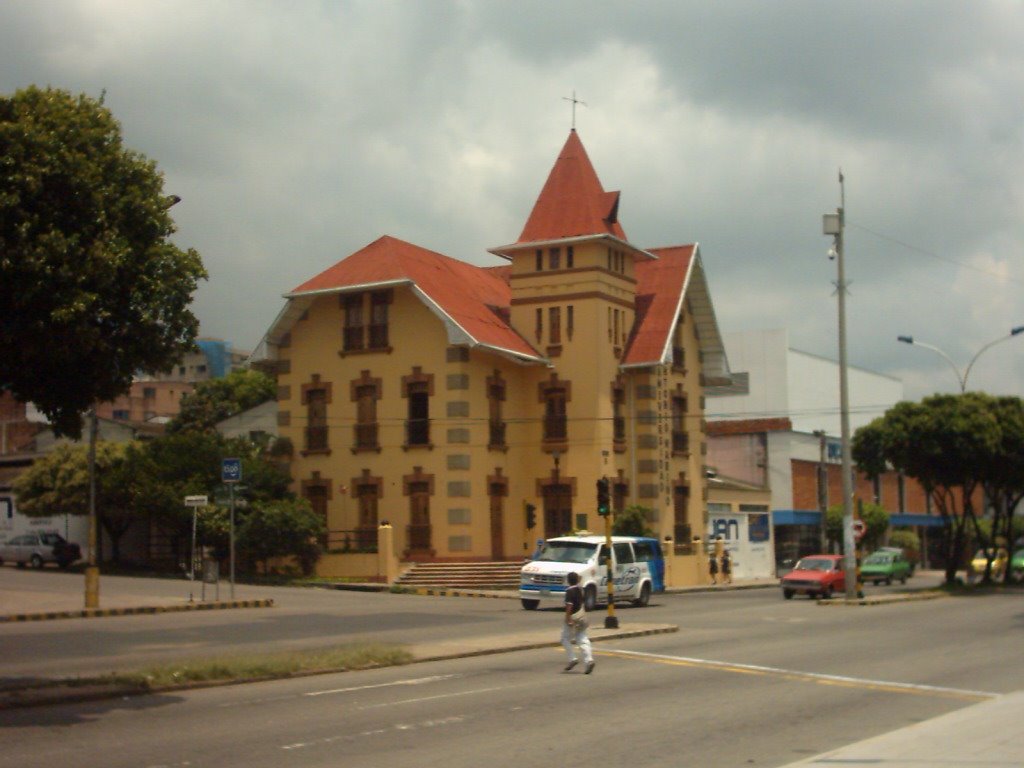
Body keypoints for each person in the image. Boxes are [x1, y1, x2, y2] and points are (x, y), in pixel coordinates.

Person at [561, 571, 594, 674]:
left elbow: (569, 606)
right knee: (582, 638)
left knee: (565, 638)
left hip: (573, 617)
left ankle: (572, 659)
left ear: (568, 580)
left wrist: (568, 618)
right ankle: (589, 660)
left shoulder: (569, 591)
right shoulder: (580, 590)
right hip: (581, 616)